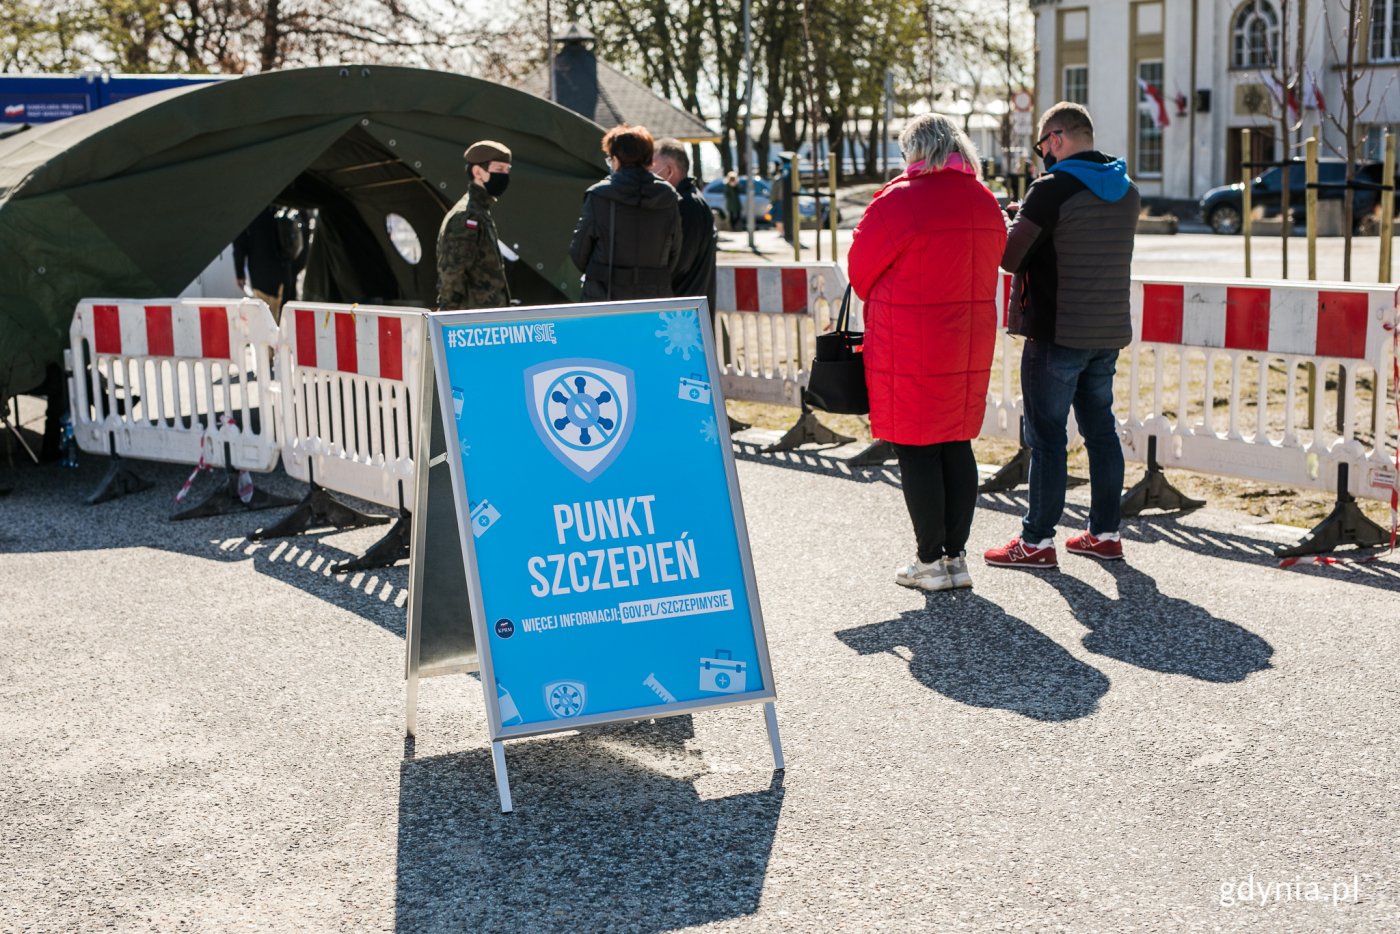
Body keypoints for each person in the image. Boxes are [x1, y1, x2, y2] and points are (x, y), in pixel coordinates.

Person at [847, 113, 1007, 592]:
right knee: (957, 443)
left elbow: (859, 271)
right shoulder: (983, 200)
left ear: (913, 151)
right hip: (967, 339)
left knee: (916, 447)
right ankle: (956, 559)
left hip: (910, 341)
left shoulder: (898, 201)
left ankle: (928, 562)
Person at [983, 102, 1140, 569]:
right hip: (1106, 330)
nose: (1042, 155)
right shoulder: (1127, 190)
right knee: (1100, 433)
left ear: (1055, 138)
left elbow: (1011, 258)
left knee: (1047, 437)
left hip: (1056, 332)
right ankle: (1105, 532)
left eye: (1042, 145)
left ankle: (1036, 542)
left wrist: (1014, 218)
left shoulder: (1049, 190)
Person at [569, 125, 681, 301]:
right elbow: (675, 253)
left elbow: (578, 252)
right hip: (654, 298)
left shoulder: (598, 195)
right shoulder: (668, 196)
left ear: (616, 160)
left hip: (605, 297)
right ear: (649, 159)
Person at [436, 140, 513, 310]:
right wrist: (451, 321)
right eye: (499, 170)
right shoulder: (467, 216)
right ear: (478, 171)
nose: (504, 176)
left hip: (484, 318)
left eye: (507, 171)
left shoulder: (480, 212)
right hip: (472, 322)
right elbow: (452, 275)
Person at [650, 137, 717, 312]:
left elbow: (679, 264)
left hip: (683, 315)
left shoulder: (686, 206)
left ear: (669, 170)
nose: (647, 175)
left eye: (651, 168)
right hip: (687, 312)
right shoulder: (690, 200)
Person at [233, 206, 307, 321]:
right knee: (287, 321)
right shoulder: (283, 205)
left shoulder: (250, 211)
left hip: (261, 276)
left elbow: (240, 244)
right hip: (286, 273)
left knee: (266, 322)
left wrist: (240, 273)